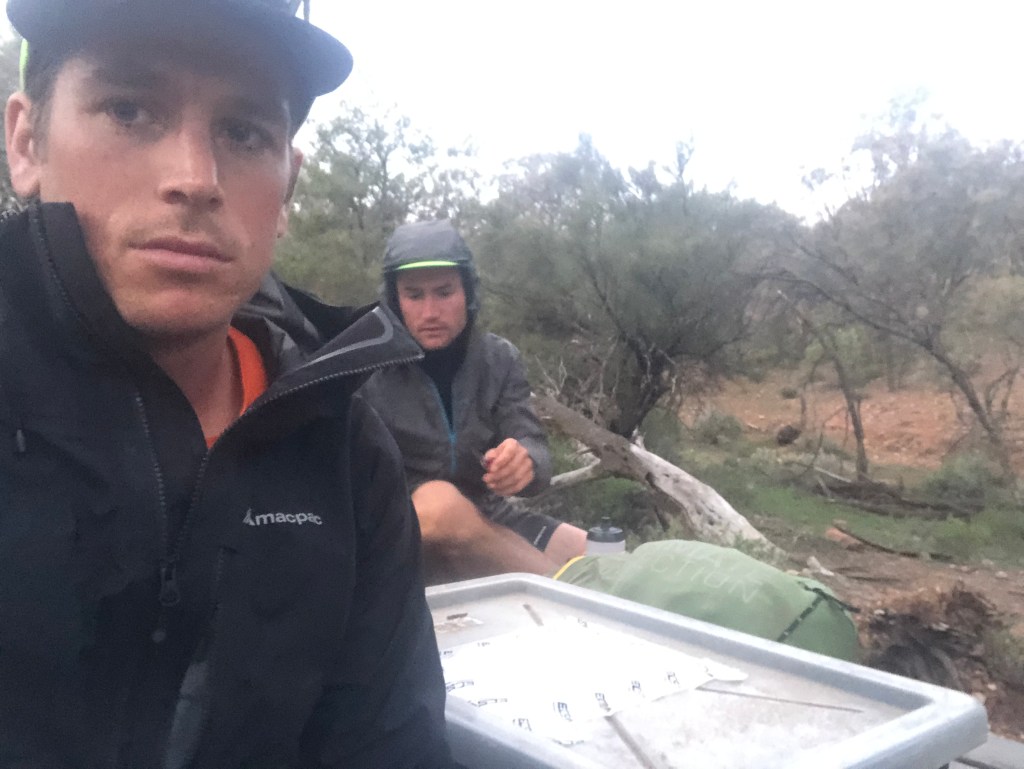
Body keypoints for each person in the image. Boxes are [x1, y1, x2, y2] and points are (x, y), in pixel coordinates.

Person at [0, 2, 453, 766]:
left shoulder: (342, 450)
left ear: (287, 187)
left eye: (244, 133)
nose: (195, 178)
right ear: (25, 140)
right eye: (129, 109)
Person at [360, 220, 587, 583]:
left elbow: (532, 443)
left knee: (588, 549)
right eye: (414, 295)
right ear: (394, 301)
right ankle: (571, 599)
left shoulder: (499, 359)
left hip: (487, 514)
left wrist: (525, 461)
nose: (430, 312)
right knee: (441, 504)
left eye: (444, 292)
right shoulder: (365, 368)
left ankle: (586, 589)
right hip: (400, 532)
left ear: (468, 292)